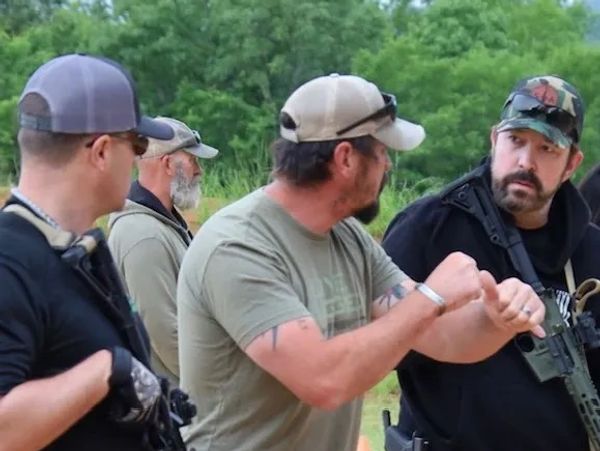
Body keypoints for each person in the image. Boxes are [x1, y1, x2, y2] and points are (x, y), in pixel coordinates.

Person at [177, 73, 545, 451]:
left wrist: (499, 318)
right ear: (346, 158)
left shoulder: (346, 236)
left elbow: (444, 338)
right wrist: (432, 297)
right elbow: (323, 380)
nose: (388, 166)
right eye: (382, 152)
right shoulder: (237, 247)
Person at [382, 75, 600, 451]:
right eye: (516, 141)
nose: (526, 162)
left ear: (571, 164)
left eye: (547, 149)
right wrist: (451, 310)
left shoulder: (591, 251)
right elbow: (376, 344)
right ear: (495, 138)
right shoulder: (428, 228)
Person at [0, 53, 181, 450]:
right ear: (101, 151)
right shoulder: (10, 259)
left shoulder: (72, 249)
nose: (137, 159)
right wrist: (107, 370)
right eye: (137, 144)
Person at [108, 116, 218, 385]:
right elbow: (166, 336)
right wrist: (221, 385)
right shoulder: (143, 236)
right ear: (168, 164)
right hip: (174, 397)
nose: (199, 170)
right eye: (192, 160)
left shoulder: (160, 223)